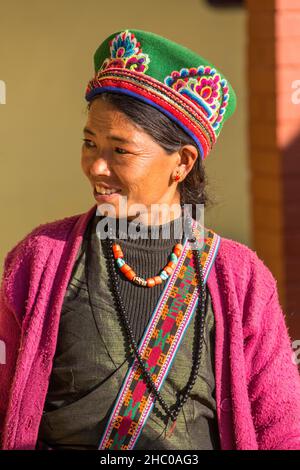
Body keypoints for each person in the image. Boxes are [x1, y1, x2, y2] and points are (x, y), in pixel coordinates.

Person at [0, 29, 300, 451]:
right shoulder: (40, 261)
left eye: (120, 151)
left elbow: (281, 428)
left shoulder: (242, 279)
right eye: (89, 143)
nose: (96, 167)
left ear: (181, 162)